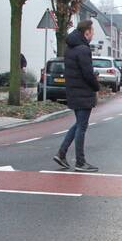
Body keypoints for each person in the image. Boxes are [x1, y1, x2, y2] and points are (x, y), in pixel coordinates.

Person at [53, 20, 99, 172]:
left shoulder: (70, 48)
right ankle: (80, 162)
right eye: (92, 32)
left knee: (78, 124)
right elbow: (87, 74)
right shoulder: (83, 49)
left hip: (73, 91)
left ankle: (61, 153)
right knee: (82, 127)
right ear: (86, 32)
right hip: (83, 93)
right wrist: (96, 85)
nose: (92, 35)